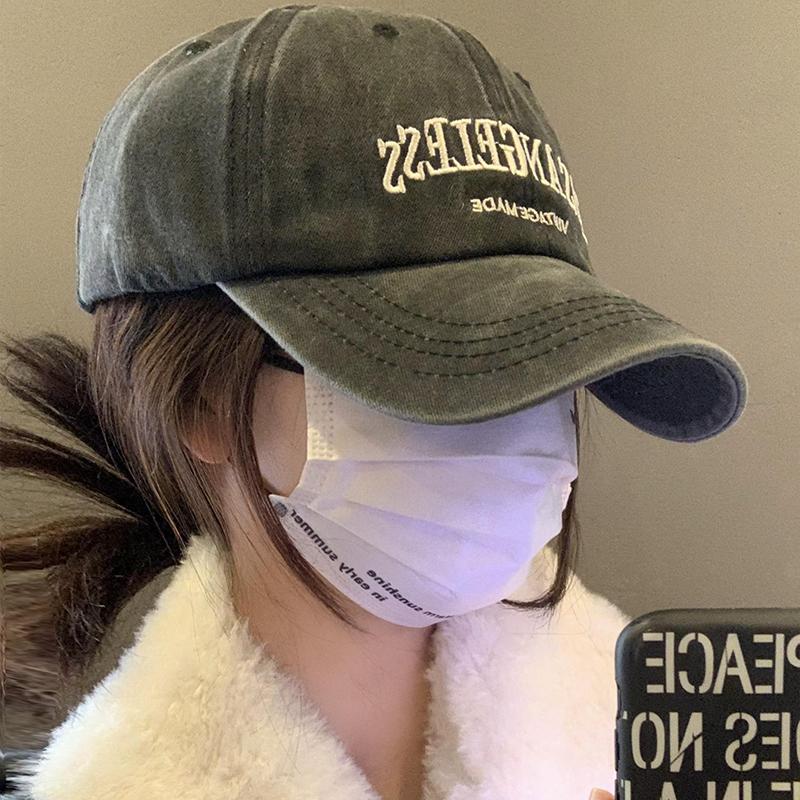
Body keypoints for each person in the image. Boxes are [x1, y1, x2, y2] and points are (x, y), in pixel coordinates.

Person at [2, 5, 747, 799]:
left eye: (552, 357)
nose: (518, 423)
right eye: (436, 358)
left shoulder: (640, 738)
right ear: (199, 401)